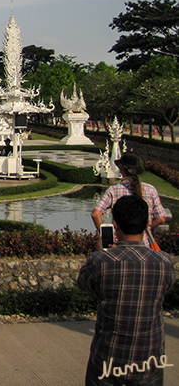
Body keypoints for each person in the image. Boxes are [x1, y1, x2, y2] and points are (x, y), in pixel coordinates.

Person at [78, 195, 174, 385]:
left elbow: (83, 284)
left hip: (108, 359)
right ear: (147, 223)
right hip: (149, 360)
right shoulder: (164, 262)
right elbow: (166, 287)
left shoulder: (101, 261)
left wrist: (99, 252)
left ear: (115, 224)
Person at [92, 153, 167, 249]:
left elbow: (95, 214)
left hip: (118, 246)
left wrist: (108, 236)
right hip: (144, 246)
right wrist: (146, 228)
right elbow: (161, 218)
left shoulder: (113, 190)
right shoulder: (150, 190)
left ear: (121, 169)